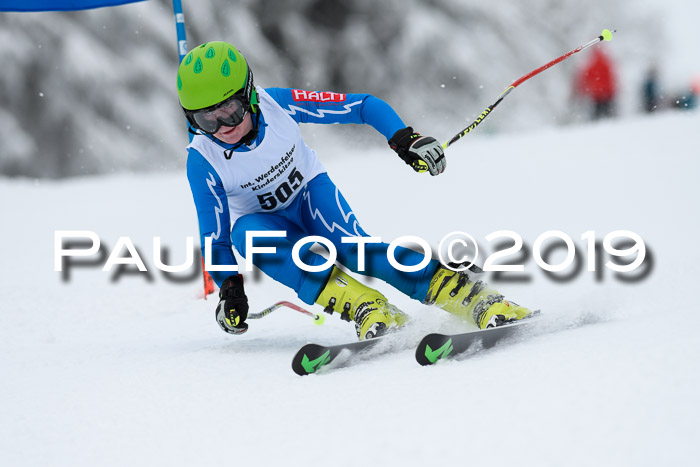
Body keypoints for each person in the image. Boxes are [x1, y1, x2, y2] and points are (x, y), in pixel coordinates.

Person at [176, 41, 532, 340]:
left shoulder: (279, 106)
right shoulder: (202, 160)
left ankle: (471, 297)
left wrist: (403, 137)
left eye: (231, 112)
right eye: (206, 120)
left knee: (357, 251)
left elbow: (362, 106)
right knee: (245, 235)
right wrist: (229, 287)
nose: (223, 127)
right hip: (266, 223)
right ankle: (365, 305)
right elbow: (215, 238)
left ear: (249, 95)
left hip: (308, 196)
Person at [575, 47, 617, 120]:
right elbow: (612, 77)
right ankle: (612, 123)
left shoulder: (592, 65)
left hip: (597, 94)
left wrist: (582, 91)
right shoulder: (606, 64)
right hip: (607, 93)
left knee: (597, 114)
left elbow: (585, 78)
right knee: (609, 113)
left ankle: (597, 123)